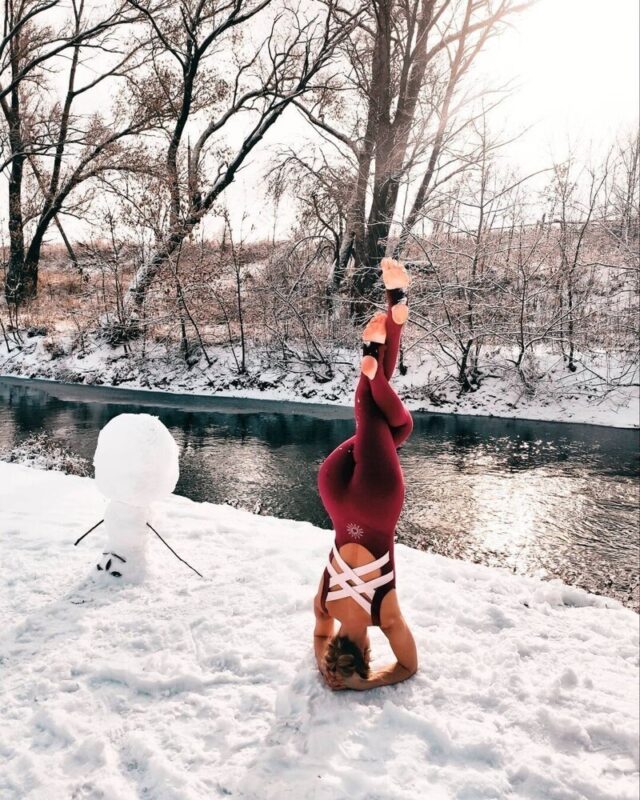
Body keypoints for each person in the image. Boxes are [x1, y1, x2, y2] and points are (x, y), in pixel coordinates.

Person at [313, 257, 418, 691]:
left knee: (382, 416)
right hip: (334, 491)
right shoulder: (325, 605)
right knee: (388, 425)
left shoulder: (384, 613)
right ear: (337, 647)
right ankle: (388, 327)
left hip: (377, 501)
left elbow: (408, 667)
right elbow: (320, 639)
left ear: (367, 654)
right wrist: (328, 670)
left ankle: (380, 343)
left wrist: (366, 683)